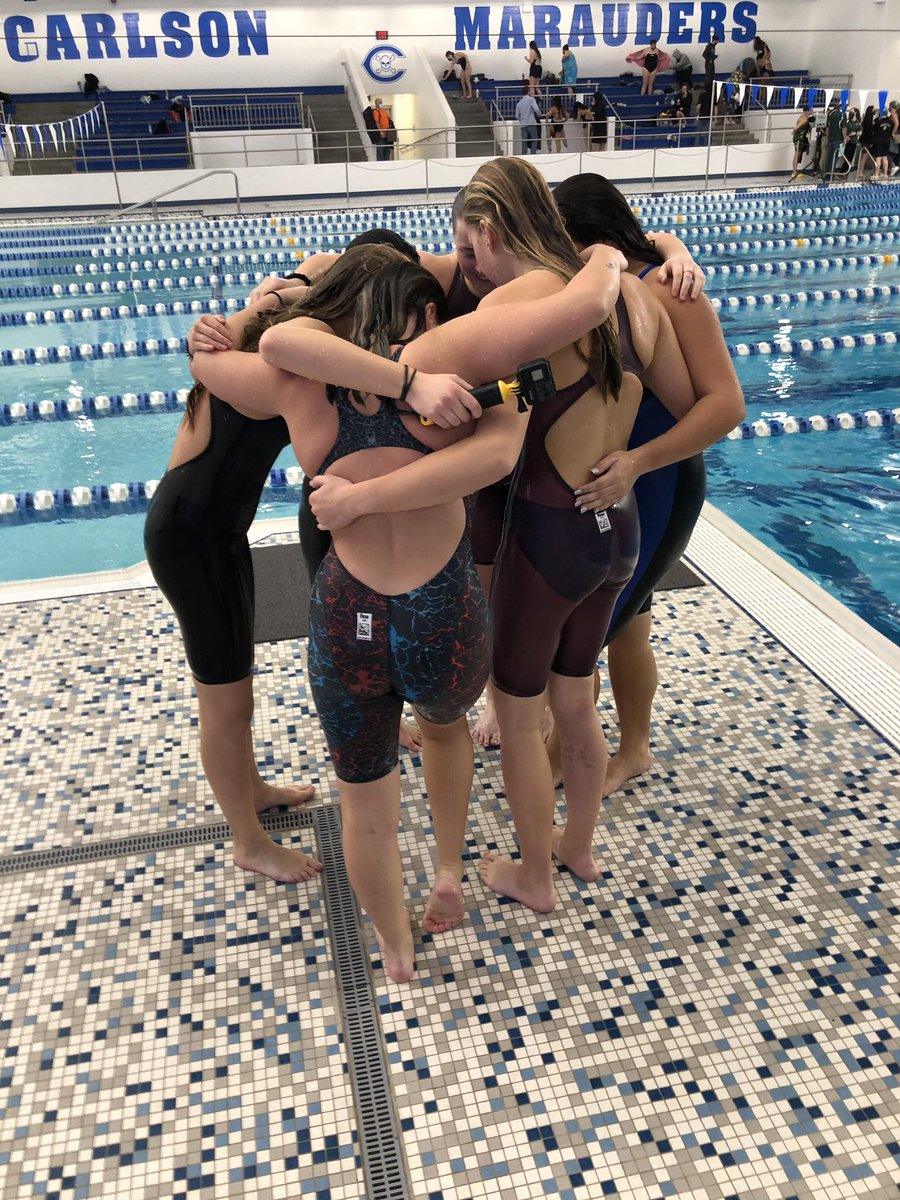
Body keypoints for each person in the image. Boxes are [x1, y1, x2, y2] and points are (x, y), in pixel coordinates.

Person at [191, 245, 628, 980]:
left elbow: (219, 364)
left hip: (345, 614)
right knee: (447, 731)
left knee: (364, 807)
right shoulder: (465, 384)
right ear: (426, 313)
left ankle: (395, 947)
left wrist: (227, 323)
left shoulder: (300, 381)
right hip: (441, 611)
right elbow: (502, 446)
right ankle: (450, 871)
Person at [551, 173, 745, 797]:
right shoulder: (631, 275)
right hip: (622, 480)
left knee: (597, 625)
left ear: (600, 239)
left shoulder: (670, 290)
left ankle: (565, 752)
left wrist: (638, 463)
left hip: (662, 480)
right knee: (630, 624)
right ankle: (634, 748)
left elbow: (725, 408)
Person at [515, 84, 542, 155]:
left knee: (524, 142)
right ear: (528, 91)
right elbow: (536, 109)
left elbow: (517, 116)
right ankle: (533, 154)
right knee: (535, 139)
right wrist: (539, 114)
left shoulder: (519, 104)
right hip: (531, 123)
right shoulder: (531, 100)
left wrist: (521, 120)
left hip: (523, 125)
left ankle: (524, 155)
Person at [821, 98, 845, 174]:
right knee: (835, 158)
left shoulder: (830, 114)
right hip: (838, 139)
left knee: (829, 158)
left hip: (830, 139)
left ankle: (827, 174)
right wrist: (844, 138)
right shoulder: (842, 114)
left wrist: (828, 139)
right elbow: (843, 127)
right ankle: (832, 175)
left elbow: (828, 128)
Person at [836, 106, 862, 174]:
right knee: (845, 156)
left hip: (853, 141)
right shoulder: (848, 122)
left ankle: (844, 171)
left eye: (851, 112)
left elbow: (860, 132)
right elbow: (844, 129)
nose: (850, 113)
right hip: (847, 141)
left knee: (850, 157)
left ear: (855, 112)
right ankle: (843, 171)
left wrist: (855, 133)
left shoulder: (858, 122)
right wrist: (845, 137)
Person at [790, 108, 815, 177]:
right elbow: (796, 127)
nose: (813, 111)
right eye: (811, 110)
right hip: (799, 138)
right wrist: (794, 132)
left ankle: (795, 171)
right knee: (797, 154)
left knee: (798, 154)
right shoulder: (804, 118)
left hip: (800, 138)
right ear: (807, 111)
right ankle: (794, 172)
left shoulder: (805, 117)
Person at [871, 106, 894, 180]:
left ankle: (876, 174)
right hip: (887, 141)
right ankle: (885, 174)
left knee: (878, 158)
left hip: (878, 141)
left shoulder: (878, 122)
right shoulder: (891, 122)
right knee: (884, 157)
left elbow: (873, 130)